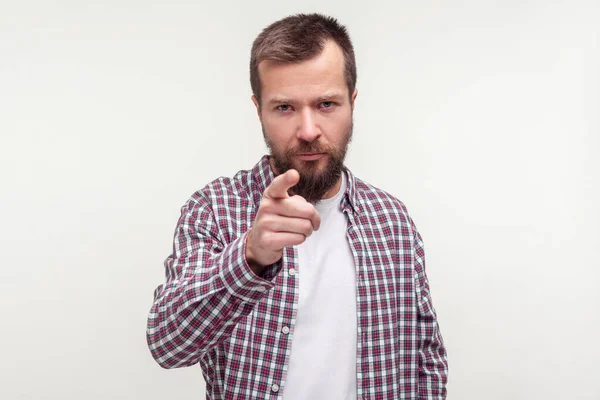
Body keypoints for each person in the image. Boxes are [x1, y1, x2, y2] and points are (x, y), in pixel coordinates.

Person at [146, 13, 448, 399]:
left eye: (326, 104)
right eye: (285, 108)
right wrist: (249, 256)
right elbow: (167, 345)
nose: (308, 130)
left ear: (352, 102)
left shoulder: (392, 220)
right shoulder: (214, 208)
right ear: (259, 109)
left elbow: (427, 357)